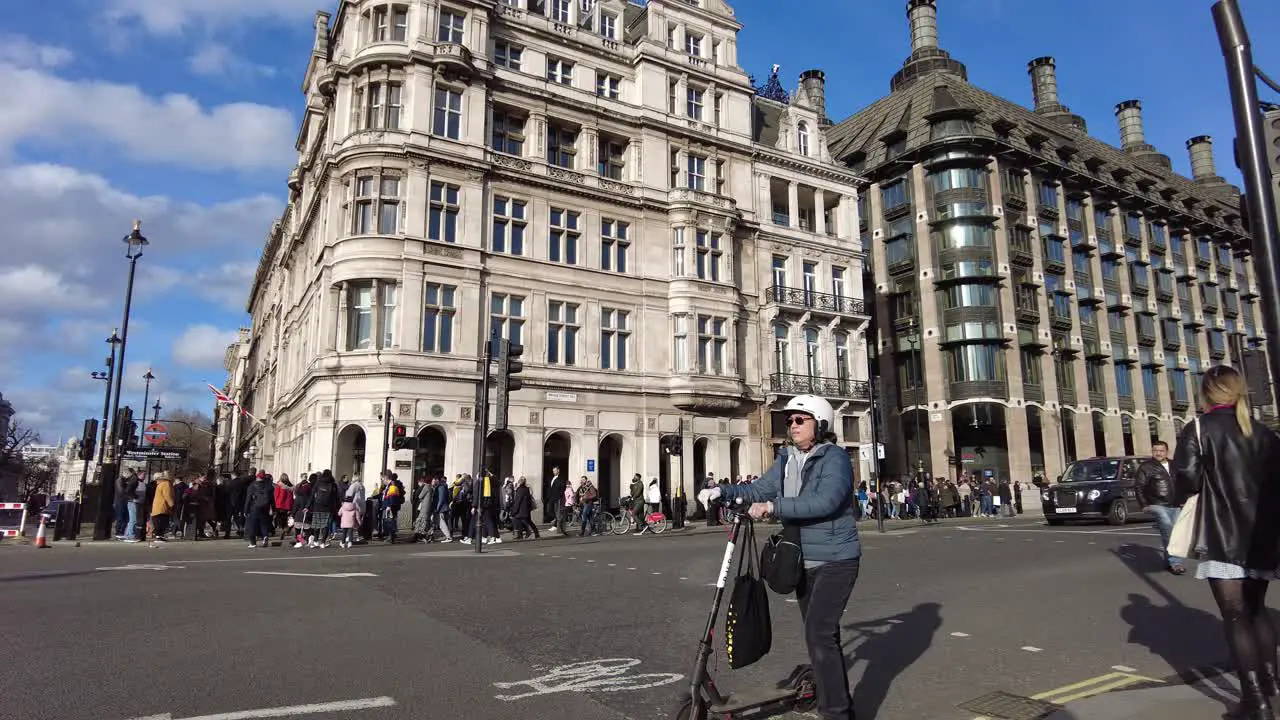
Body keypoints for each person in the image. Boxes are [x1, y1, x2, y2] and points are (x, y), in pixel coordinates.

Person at [697, 394, 860, 720]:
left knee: (818, 633)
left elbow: (824, 501)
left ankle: (837, 713)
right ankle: (839, 703)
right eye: (790, 420)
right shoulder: (786, 459)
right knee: (824, 637)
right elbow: (758, 489)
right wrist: (722, 491)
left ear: (821, 423)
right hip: (803, 560)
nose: (793, 425)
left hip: (837, 560)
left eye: (801, 419)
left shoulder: (835, 459)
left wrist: (775, 507)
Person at [1172, 365, 1280, 720]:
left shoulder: (1199, 429)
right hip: (1263, 535)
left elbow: (1186, 480)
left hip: (1223, 533)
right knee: (1257, 611)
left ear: (1207, 392)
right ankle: (1272, 686)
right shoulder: (1264, 434)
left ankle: (1254, 700)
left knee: (1234, 615)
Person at [1135, 440, 1185, 575]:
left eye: (1161, 450)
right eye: (1155, 450)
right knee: (1169, 529)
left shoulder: (1174, 465)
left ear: (1166, 452)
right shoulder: (1146, 467)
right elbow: (1139, 486)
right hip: (1157, 504)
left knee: (1175, 533)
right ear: (1152, 451)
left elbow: (1183, 483)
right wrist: (1143, 505)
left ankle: (1168, 561)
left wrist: (1184, 500)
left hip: (1175, 505)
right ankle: (1176, 563)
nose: (1158, 453)